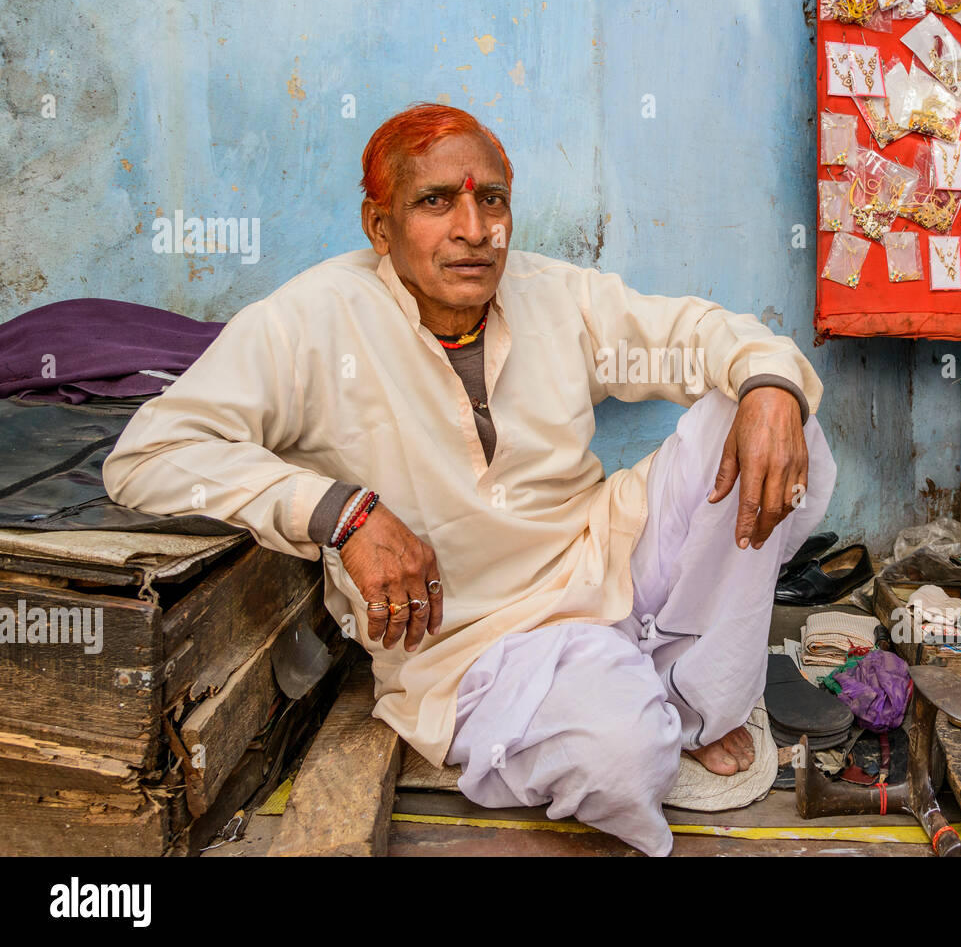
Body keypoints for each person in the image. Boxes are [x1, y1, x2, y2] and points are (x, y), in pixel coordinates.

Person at [103, 103, 836, 856]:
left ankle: (693, 702)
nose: (474, 227)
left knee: (771, 410)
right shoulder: (312, 322)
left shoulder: (552, 294)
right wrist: (339, 511)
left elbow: (694, 334)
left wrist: (768, 383)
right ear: (379, 227)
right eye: (435, 201)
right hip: (475, 645)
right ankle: (649, 701)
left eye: (491, 199)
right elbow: (149, 454)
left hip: (599, 555)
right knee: (623, 759)